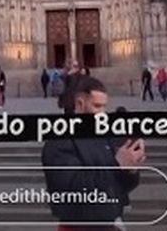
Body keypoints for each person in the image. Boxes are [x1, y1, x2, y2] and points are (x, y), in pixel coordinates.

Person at [43, 76, 143, 229]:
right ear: (80, 104)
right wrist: (116, 165)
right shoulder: (59, 141)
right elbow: (73, 188)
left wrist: (131, 167)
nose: (102, 114)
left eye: (104, 107)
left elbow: (121, 187)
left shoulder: (105, 135)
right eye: (97, 106)